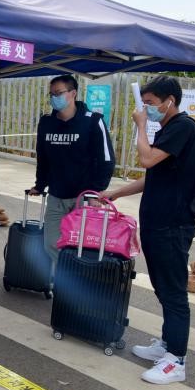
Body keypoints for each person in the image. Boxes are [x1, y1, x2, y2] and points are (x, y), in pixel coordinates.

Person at [103, 76, 195, 384]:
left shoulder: (183, 127)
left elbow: (146, 159)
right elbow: (154, 176)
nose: (146, 109)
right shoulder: (169, 129)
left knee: (173, 292)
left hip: (173, 225)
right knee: (162, 288)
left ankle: (176, 361)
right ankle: (168, 344)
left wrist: (141, 126)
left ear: (170, 101)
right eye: (143, 103)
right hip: (158, 224)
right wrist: (117, 193)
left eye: (151, 103)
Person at [29, 74, 115, 282]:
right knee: (52, 243)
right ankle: (68, 282)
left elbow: (106, 159)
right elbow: (43, 157)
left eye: (58, 93)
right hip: (56, 196)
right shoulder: (47, 123)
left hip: (83, 198)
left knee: (80, 246)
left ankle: (69, 286)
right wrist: (40, 185)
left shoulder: (92, 121)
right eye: (51, 94)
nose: (54, 98)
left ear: (73, 93)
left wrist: (95, 193)